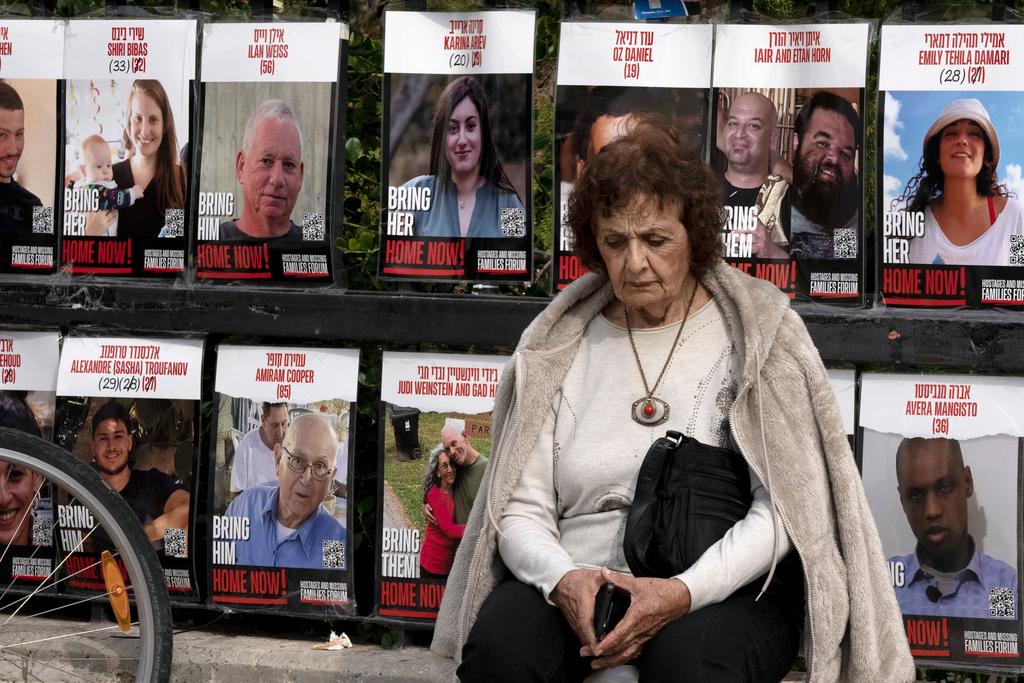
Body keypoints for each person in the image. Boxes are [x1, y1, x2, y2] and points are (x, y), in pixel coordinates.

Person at [433, 122, 913, 682]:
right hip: (578, 578)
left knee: (691, 665)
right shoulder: (559, 344)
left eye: (656, 240)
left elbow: (784, 509)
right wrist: (566, 581)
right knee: (501, 653)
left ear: (695, 233)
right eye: (616, 242)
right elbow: (519, 506)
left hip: (725, 586)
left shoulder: (756, 336)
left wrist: (682, 593)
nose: (635, 262)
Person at [889, 437, 1017, 620]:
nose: (932, 511)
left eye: (945, 487)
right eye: (916, 495)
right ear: (902, 501)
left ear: (967, 482)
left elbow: (1006, 638)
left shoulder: (1003, 584)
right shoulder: (885, 584)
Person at [899, 98, 1023, 266]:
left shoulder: (1015, 218)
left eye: (974, 134)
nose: (962, 140)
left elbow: (1020, 281)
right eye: (951, 133)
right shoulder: (910, 223)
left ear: (986, 155)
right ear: (937, 153)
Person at [402, 76, 523, 238]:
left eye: (471, 126)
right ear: (442, 136)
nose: (462, 140)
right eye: (452, 128)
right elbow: (392, 258)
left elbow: (518, 260)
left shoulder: (508, 203)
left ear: (483, 132)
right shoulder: (413, 193)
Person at [225, 413, 345, 569]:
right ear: (277, 459)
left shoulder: (335, 542)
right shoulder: (244, 506)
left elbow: (333, 586)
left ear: (330, 478)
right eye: (297, 460)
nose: (307, 478)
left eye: (320, 466)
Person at [89, 401, 189, 545]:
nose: (111, 447)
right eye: (103, 438)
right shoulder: (84, 493)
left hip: (157, 565)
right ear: (93, 447)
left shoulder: (152, 483)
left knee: (184, 530)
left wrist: (140, 538)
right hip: (104, 565)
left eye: (118, 437)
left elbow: (188, 508)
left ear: (129, 442)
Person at [788, 91, 861, 260]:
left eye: (845, 153)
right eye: (822, 143)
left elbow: (843, 264)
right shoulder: (770, 204)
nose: (834, 158)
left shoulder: (853, 217)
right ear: (796, 142)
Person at [219, 100, 305, 243]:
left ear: (300, 176)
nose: (277, 179)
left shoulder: (316, 246)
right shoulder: (208, 244)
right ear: (241, 166)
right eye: (266, 161)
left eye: (289, 165)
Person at [718, 91, 789, 259]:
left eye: (753, 126)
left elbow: (812, 277)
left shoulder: (788, 198)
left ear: (772, 139)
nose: (740, 133)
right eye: (733, 123)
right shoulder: (700, 193)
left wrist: (773, 253)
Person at [112, 80, 187, 240]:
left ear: (165, 125)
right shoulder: (110, 176)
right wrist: (89, 229)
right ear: (129, 123)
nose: (145, 131)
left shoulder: (178, 179)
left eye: (153, 119)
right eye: (138, 118)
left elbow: (175, 249)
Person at [74, 135, 144, 237]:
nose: (106, 171)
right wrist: (132, 193)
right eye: (99, 166)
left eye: (108, 165)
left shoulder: (175, 177)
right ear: (84, 171)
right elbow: (112, 197)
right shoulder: (92, 189)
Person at [0, 81, 42, 234]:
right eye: (1, 135)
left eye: (19, 134)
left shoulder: (36, 205)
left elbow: (51, 254)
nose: (13, 149)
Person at [419, 444, 465, 579]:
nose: (450, 470)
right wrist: (476, 526)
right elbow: (450, 531)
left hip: (448, 565)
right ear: (438, 472)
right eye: (445, 466)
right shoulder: (435, 495)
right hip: (432, 565)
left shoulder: (456, 487)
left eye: (451, 464)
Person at [229, 402, 289, 500]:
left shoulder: (294, 444)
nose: (280, 432)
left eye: (284, 423)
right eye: (274, 425)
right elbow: (235, 497)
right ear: (263, 421)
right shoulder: (247, 446)